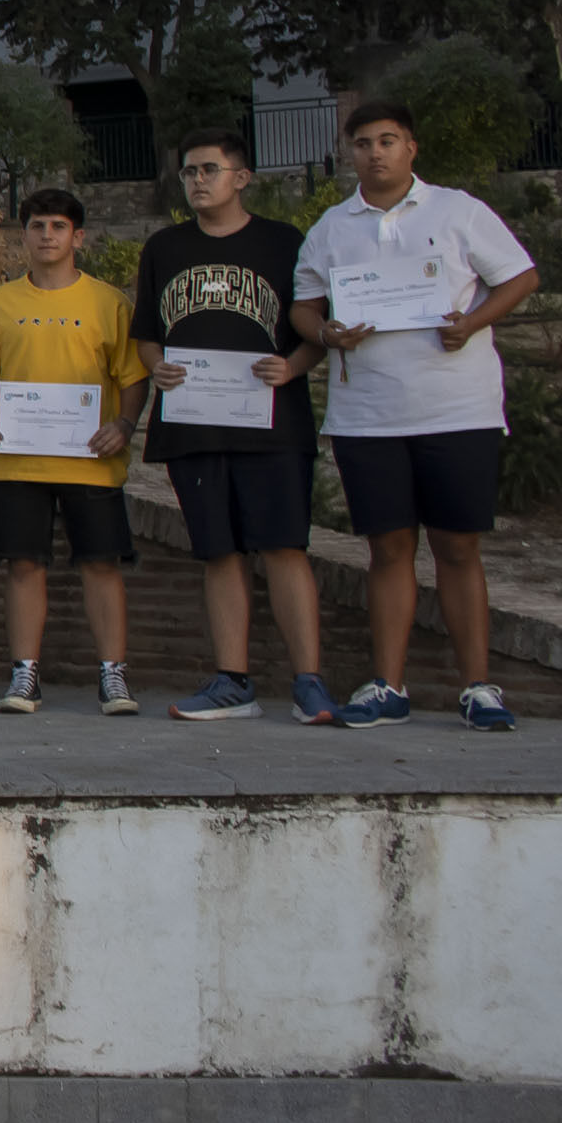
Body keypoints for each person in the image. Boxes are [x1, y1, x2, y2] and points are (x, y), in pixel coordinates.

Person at [291, 100, 541, 732]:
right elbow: (303, 307)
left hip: (457, 409)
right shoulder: (331, 227)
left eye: (388, 141)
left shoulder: (458, 211)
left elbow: (520, 277)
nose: (375, 153)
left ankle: (478, 688)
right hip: (368, 415)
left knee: (457, 546)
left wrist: (471, 323)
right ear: (349, 152)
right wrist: (326, 333)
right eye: (363, 143)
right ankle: (388, 686)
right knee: (388, 549)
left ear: (411, 148)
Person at [135, 131, 329, 722]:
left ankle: (309, 682)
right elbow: (147, 335)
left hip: (272, 424)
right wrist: (157, 367)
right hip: (194, 425)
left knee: (284, 546)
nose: (197, 181)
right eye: (189, 172)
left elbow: (317, 331)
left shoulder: (284, 242)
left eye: (209, 170)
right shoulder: (164, 247)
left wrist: (292, 367)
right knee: (219, 552)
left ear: (241, 178)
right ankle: (232, 681)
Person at [0, 188, 149, 716]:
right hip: (19, 460)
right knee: (23, 565)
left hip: (92, 459)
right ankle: (25, 674)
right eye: (37, 226)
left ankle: (113, 674)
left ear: (78, 237)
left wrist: (124, 424)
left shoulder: (110, 303)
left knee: (101, 564)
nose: (47, 235)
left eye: (58, 226)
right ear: (22, 236)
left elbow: (132, 377)